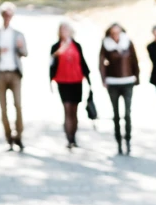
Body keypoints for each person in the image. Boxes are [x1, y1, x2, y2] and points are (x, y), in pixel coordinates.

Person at [0, 2, 27, 151]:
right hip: (0, 74)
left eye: (9, 15)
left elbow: (25, 52)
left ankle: (19, 136)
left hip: (15, 73)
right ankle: (8, 137)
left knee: (18, 105)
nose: (7, 17)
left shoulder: (18, 34)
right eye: (5, 15)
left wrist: (20, 47)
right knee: (3, 108)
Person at [99, 23, 139, 156]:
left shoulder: (128, 42)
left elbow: (134, 60)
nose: (116, 35)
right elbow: (101, 63)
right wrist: (103, 79)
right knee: (115, 114)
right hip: (113, 82)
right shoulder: (106, 44)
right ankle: (118, 142)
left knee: (127, 113)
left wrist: (137, 77)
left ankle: (128, 140)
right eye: (113, 33)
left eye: (118, 32)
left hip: (127, 81)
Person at [50, 21, 90, 150]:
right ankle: (69, 139)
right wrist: (60, 51)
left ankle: (74, 137)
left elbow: (82, 63)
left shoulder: (77, 45)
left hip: (76, 81)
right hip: (63, 82)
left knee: (75, 110)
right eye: (62, 30)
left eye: (67, 30)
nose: (65, 32)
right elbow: (52, 62)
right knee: (67, 109)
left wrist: (89, 80)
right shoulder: (56, 46)